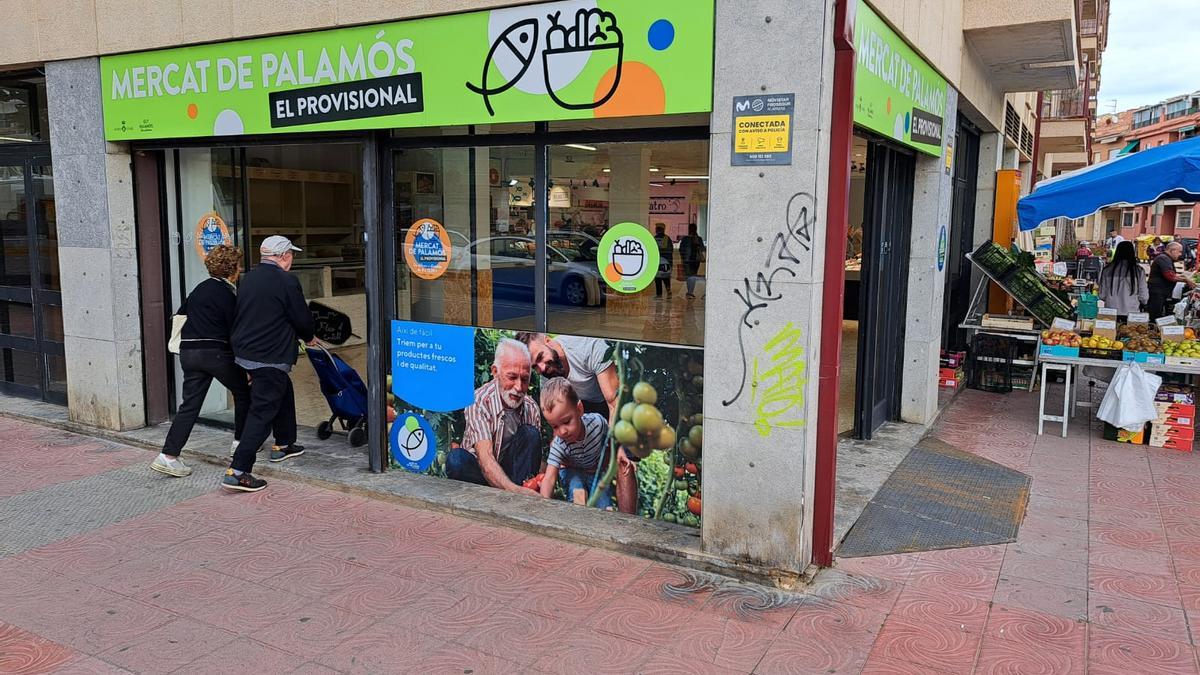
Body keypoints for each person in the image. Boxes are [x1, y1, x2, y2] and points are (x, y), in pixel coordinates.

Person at [224, 236, 316, 492]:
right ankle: (238, 470)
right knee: (262, 410)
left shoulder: (248, 278)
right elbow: (302, 318)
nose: (292, 260)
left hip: (245, 353)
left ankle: (283, 443)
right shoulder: (287, 281)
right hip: (270, 355)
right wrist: (309, 337)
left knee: (281, 389)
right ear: (284, 256)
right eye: (292, 255)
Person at [151, 245, 249, 477]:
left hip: (189, 353)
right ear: (232, 269)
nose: (241, 268)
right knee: (245, 392)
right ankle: (240, 445)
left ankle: (168, 455)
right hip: (215, 353)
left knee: (189, 406)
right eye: (238, 265)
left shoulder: (199, 290)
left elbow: (181, 316)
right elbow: (234, 330)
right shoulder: (228, 294)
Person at [446, 339, 542, 495]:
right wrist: (515, 490)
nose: (518, 387)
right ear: (495, 372)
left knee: (531, 434)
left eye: (524, 379)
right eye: (512, 377)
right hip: (480, 471)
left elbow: (530, 456)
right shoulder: (479, 401)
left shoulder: (530, 407)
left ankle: (519, 500)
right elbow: (485, 458)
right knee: (456, 460)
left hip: (513, 474)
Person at [538, 378, 635, 512]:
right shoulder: (559, 445)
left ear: (579, 409)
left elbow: (613, 438)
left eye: (566, 421)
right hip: (571, 471)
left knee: (605, 505)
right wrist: (543, 505)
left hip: (594, 470)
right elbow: (549, 478)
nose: (562, 431)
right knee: (578, 493)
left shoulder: (597, 423)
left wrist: (620, 453)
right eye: (554, 426)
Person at [1147, 240, 1196, 320]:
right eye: (1179, 252)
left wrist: (1185, 276)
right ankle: (1152, 329)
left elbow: (1171, 274)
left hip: (1161, 291)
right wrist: (1186, 280)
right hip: (1157, 292)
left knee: (1157, 313)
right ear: (1172, 251)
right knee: (1155, 315)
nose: (1180, 254)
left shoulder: (1166, 258)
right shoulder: (1163, 258)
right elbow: (1170, 276)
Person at [1097, 240, 1147, 318]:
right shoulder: (1139, 271)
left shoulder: (1107, 270)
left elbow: (1102, 295)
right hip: (1132, 312)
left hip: (1111, 311)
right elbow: (1144, 297)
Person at [678, 223, 706, 299]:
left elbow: (681, 250)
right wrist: (704, 257)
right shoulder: (698, 238)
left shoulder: (685, 239)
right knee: (693, 275)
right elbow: (702, 249)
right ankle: (690, 292)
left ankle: (690, 292)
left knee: (689, 276)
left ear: (689, 230)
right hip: (696, 261)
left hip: (686, 260)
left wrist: (682, 259)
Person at [653, 223, 673, 298]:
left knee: (657, 278)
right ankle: (668, 292)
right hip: (666, 262)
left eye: (656, 228)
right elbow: (670, 251)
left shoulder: (654, 238)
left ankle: (659, 294)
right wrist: (670, 263)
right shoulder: (667, 238)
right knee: (666, 277)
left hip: (657, 261)